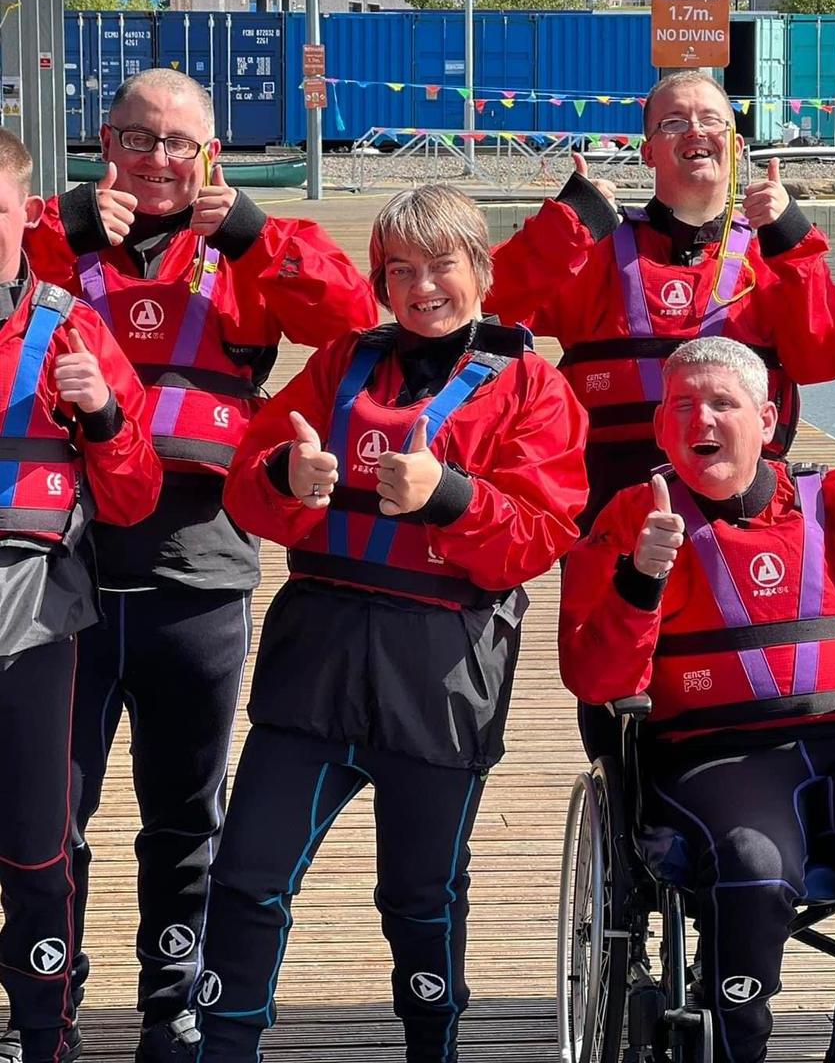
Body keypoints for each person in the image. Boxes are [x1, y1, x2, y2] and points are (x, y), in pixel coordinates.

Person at [21, 69, 378, 1062]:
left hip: (202, 561)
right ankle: (46, 995)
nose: (158, 159)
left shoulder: (244, 250)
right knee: (54, 807)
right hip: (69, 557)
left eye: (180, 142)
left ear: (211, 153)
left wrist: (263, 231)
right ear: (104, 141)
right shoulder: (54, 234)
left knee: (185, 808)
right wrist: (66, 226)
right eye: (138, 138)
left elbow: (351, 321)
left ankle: (171, 1000)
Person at [193, 185, 588, 1062]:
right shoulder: (341, 362)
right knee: (248, 873)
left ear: (480, 270)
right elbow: (249, 479)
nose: (421, 287)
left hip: (439, 673)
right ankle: (224, 1044)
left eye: (441, 264)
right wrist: (288, 484)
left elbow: (538, 536)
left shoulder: (534, 386)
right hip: (315, 663)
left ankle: (431, 1045)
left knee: (420, 893)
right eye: (399, 270)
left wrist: (448, 496)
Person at [559, 336, 835, 1063]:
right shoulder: (629, 522)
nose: (704, 419)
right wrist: (641, 580)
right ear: (663, 428)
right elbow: (597, 679)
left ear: (768, 418)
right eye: (684, 405)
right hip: (714, 756)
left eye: (724, 403)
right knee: (753, 865)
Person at [489, 68, 835, 533]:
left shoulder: (773, 255)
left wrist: (795, 241)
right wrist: (565, 227)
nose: (696, 130)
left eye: (711, 120)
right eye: (674, 122)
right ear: (648, 153)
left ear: (736, 146)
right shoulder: (594, 252)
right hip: (611, 497)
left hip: (740, 500)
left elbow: (822, 361)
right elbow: (482, 302)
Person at [0, 129, 161, 1063]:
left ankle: (42, 1029)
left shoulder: (71, 327)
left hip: (35, 616)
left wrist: (101, 410)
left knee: (35, 847)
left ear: (28, 215)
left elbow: (134, 495)